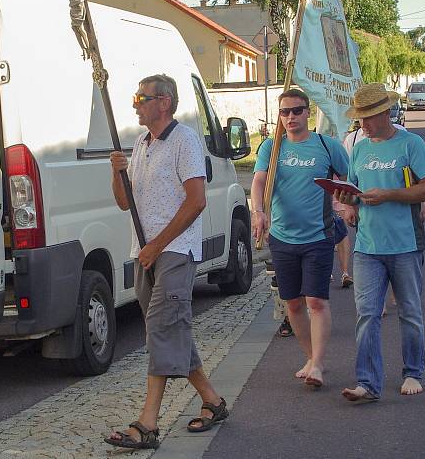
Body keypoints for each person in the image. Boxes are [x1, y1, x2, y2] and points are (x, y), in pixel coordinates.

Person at [105, 74, 227, 450]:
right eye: (134, 96)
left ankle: (147, 423)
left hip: (174, 251)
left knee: (160, 328)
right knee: (172, 331)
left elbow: (196, 202)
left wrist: (157, 246)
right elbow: (125, 203)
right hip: (145, 252)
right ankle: (212, 401)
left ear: (165, 102)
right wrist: (117, 172)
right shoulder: (141, 143)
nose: (135, 103)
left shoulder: (185, 140)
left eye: (142, 97)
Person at [335, 83, 425, 403]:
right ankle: (367, 383)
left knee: (409, 311)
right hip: (367, 245)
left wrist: (389, 195)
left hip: (406, 244)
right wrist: (348, 202)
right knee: (367, 314)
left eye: (366, 118)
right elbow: (355, 187)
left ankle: (413, 372)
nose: (361, 124)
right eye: (359, 118)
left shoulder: (411, 144)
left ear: (384, 113)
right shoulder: (361, 149)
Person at [251, 88, 349, 388]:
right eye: (284, 112)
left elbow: (347, 180)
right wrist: (258, 212)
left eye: (296, 111)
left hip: (318, 235)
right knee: (293, 304)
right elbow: (259, 181)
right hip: (282, 237)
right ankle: (310, 357)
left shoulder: (326, 145)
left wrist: (347, 203)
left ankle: (318, 364)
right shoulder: (272, 147)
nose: (290, 117)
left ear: (308, 112)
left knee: (316, 301)